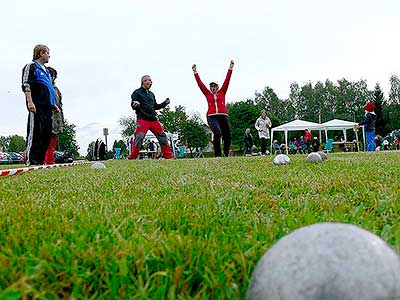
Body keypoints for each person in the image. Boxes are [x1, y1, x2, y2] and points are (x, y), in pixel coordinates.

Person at [21, 44, 58, 166]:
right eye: (47, 52)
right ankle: (32, 160)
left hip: (48, 107)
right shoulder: (31, 67)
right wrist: (30, 102)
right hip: (37, 106)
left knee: (46, 134)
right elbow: (26, 84)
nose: (49, 55)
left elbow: (49, 88)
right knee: (36, 132)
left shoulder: (46, 70)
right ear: (41, 53)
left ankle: (40, 161)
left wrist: (53, 104)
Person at [192, 60, 234, 157]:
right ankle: (218, 155)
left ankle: (226, 153)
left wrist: (230, 68)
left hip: (223, 115)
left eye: (215, 86)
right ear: (210, 88)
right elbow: (200, 84)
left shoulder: (222, 92)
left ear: (218, 87)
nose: (213, 88)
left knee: (227, 136)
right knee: (217, 133)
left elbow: (227, 80)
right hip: (212, 116)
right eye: (212, 86)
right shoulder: (207, 93)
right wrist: (195, 72)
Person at [128, 75, 174, 159]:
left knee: (162, 137)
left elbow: (155, 106)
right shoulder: (136, 92)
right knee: (139, 137)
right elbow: (133, 104)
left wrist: (165, 103)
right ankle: (133, 156)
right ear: (142, 82)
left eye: (150, 80)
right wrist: (135, 104)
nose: (149, 82)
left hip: (153, 119)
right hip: (142, 119)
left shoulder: (151, 94)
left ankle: (169, 156)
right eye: (146, 80)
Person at [44, 67, 64, 164]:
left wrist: (61, 119)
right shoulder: (43, 87)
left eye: (55, 76)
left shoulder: (56, 90)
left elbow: (60, 105)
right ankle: (45, 160)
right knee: (46, 140)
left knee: (53, 141)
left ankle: (50, 161)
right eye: (52, 75)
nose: (54, 78)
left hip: (56, 119)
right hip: (46, 117)